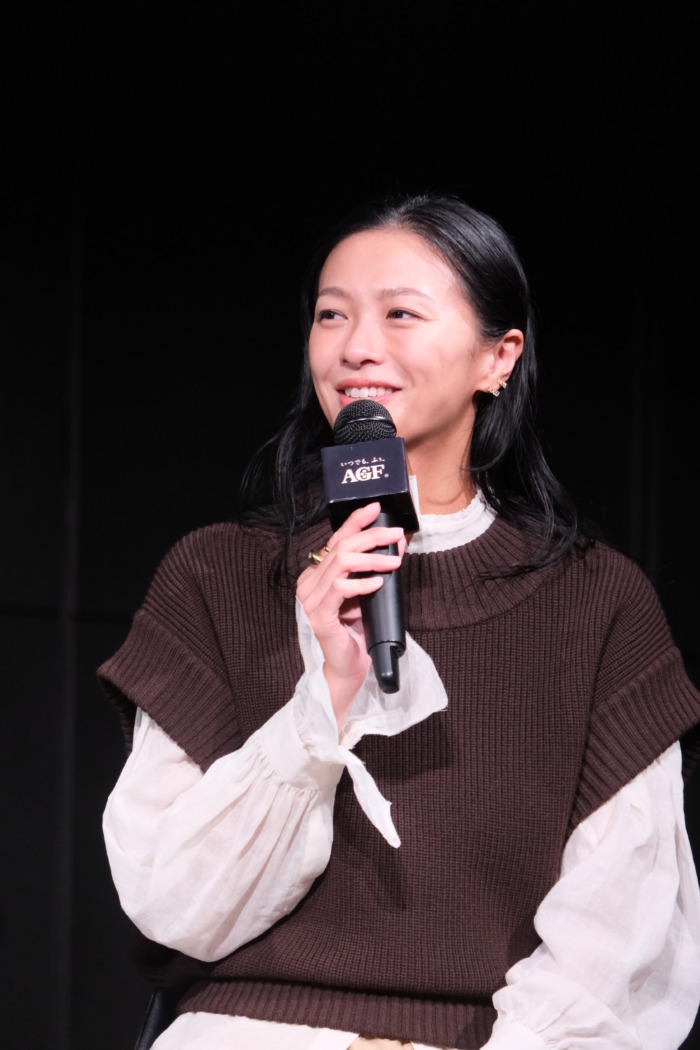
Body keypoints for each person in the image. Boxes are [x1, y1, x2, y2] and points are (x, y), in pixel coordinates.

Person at [99, 192, 700, 1050]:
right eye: (331, 315)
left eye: (400, 314)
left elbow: (622, 935)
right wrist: (322, 702)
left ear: (498, 357)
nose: (356, 347)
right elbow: (175, 905)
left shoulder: (599, 603)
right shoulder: (215, 574)